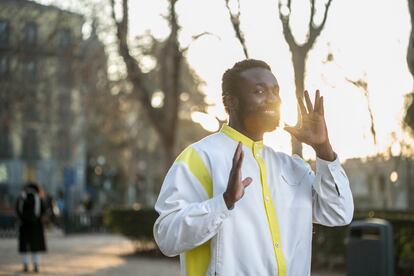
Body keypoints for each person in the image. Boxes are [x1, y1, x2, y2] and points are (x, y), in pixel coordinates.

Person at [153, 59, 354, 276]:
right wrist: (223, 203)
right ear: (231, 102)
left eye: (276, 92)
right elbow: (166, 237)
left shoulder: (291, 166)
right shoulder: (199, 158)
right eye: (259, 92)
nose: (273, 100)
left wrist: (324, 150)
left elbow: (339, 213)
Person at [15, 182, 47, 273]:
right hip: (36, 226)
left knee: (25, 247)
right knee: (35, 247)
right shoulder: (39, 199)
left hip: (24, 225)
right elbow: (43, 211)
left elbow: (17, 211)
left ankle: (25, 265)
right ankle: (36, 265)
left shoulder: (21, 198)